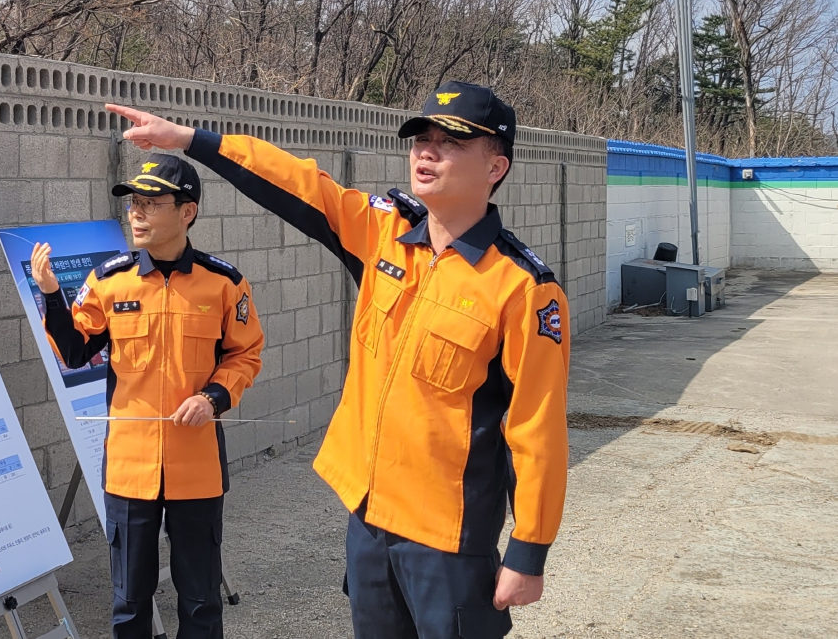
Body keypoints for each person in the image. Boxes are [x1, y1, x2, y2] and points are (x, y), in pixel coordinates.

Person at [105, 82, 570, 639]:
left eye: (451, 142)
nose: (427, 152)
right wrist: (189, 140)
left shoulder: (522, 288)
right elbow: (298, 182)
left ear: (496, 166)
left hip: (448, 537)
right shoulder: (384, 236)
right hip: (367, 519)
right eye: (421, 139)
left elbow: (537, 428)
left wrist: (528, 549)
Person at [31, 154, 265, 639]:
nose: (136, 213)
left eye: (151, 203)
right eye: (134, 202)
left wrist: (212, 398)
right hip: (129, 470)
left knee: (200, 600)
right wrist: (51, 294)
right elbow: (74, 351)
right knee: (130, 601)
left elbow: (246, 354)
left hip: (196, 467)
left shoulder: (224, 284)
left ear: (187, 211)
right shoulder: (109, 281)